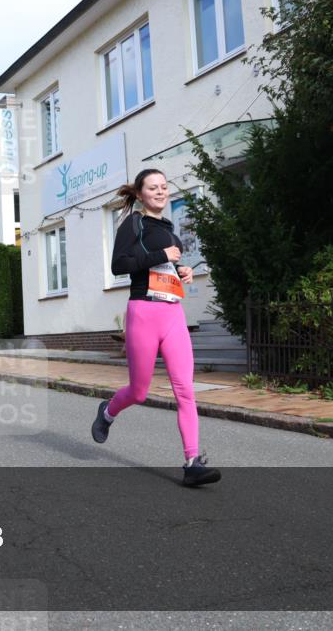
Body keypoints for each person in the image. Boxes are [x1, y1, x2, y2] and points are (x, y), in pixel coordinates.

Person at [91, 168, 220, 487]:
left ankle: (192, 462)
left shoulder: (171, 231)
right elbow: (119, 265)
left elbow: (168, 269)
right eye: (153, 188)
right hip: (143, 312)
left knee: (185, 390)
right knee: (139, 390)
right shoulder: (133, 223)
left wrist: (183, 270)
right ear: (140, 194)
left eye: (164, 186)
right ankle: (108, 411)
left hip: (173, 314)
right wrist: (162, 255)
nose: (161, 192)